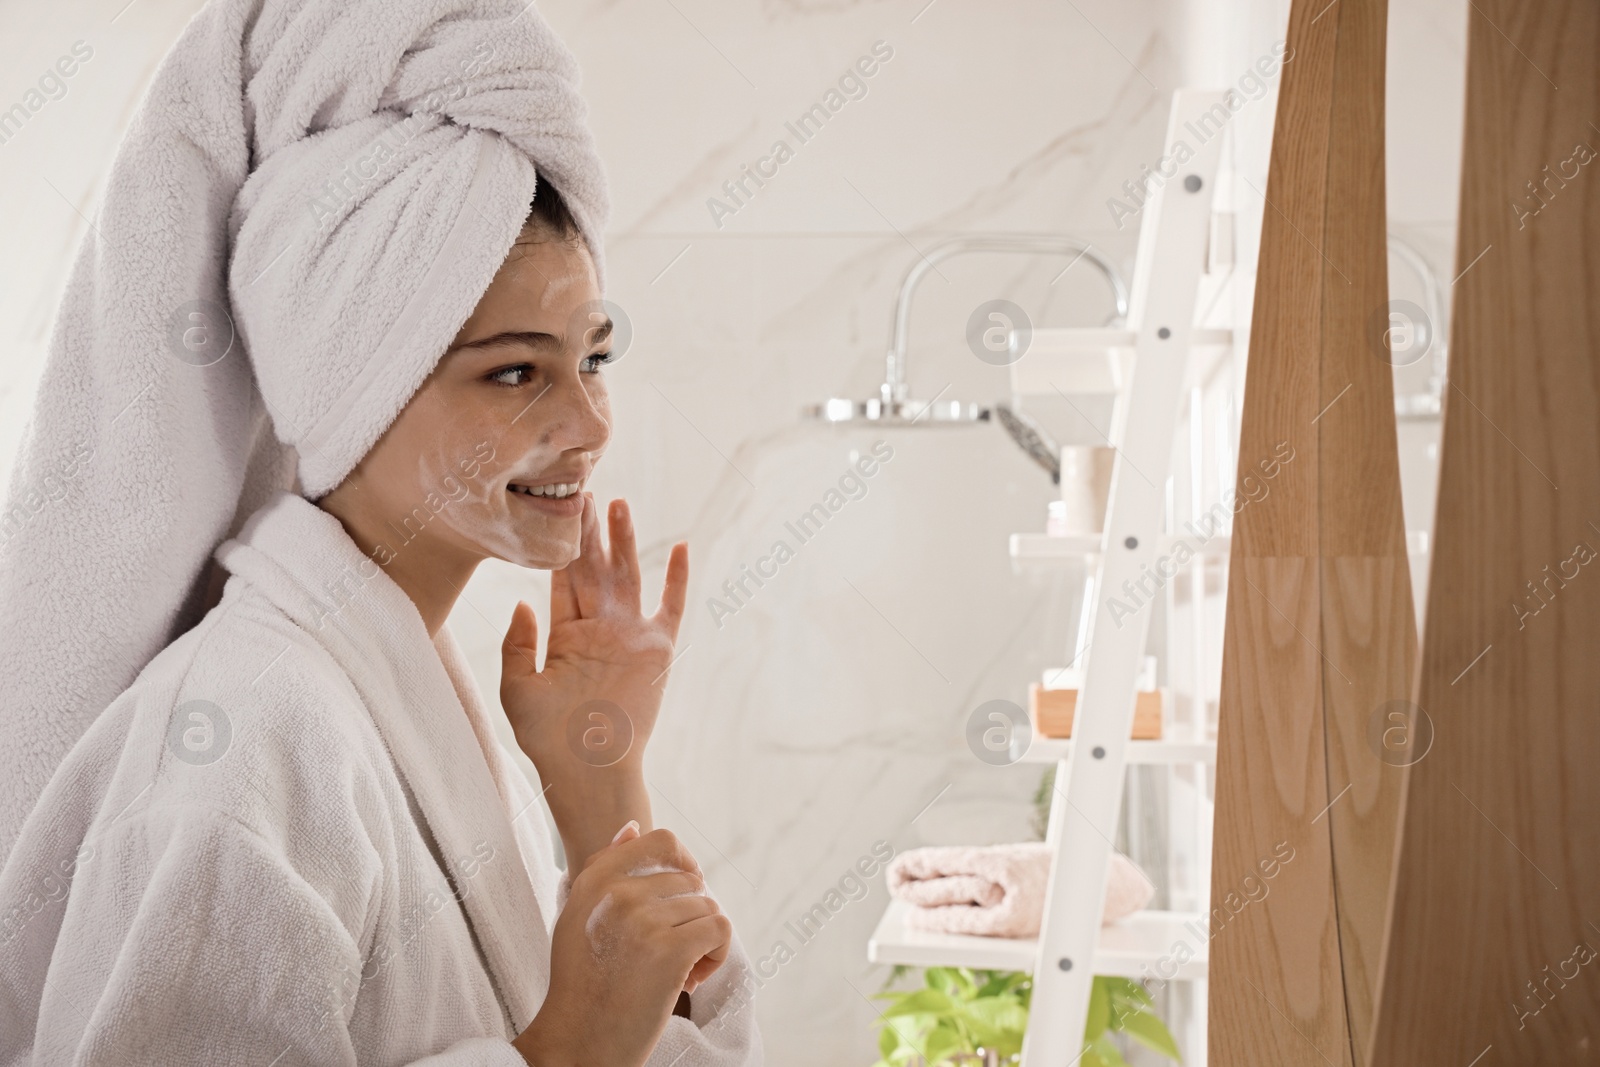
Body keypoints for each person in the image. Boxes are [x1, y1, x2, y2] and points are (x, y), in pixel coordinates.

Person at [0, 1, 762, 1064]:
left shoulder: (393, 690)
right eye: (513, 371)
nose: (588, 423)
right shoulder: (240, 740)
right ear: (353, 390)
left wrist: (601, 792)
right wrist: (571, 1041)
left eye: (592, 357)